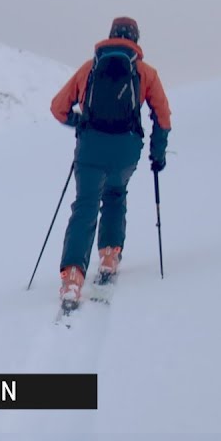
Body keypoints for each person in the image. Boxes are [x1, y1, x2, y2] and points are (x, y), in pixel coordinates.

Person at [50, 17, 171, 308]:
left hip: (91, 147)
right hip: (126, 149)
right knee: (116, 195)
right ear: (136, 40)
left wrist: (82, 122)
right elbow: (162, 117)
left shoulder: (89, 68)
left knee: (85, 206)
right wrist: (158, 153)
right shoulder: (145, 72)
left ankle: (72, 277)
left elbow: (58, 108)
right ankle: (108, 257)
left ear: (111, 36)